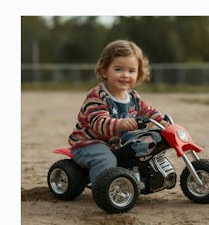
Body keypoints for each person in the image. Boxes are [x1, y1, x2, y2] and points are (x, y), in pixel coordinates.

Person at [68, 39, 168, 184]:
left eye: (131, 71)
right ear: (104, 71)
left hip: (116, 141)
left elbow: (148, 111)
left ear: (138, 73)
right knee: (106, 159)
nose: (125, 75)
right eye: (118, 69)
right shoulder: (97, 96)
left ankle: (142, 175)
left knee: (145, 140)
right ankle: (104, 190)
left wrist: (162, 121)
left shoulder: (133, 97)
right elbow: (99, 123)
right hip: (89, 143)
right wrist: (121, 124)